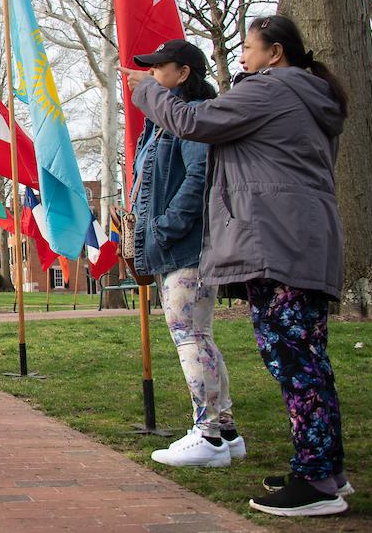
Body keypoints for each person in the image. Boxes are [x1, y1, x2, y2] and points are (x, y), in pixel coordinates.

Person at [124, 15, 350, 517]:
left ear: (275, 53)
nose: (241, 56)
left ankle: (317, 482)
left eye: (248, 47)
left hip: (277, 241)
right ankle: (325, 468)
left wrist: (147, 93)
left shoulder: (271, 90)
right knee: (308, 357)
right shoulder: (307, 96)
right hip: (303, 238)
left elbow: (193, 123)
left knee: (293, 360)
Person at [128, 40, 243, 469]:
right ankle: (225, 433)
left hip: (186, 247)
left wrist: (167, 226)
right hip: (174, 245)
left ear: (183, 74)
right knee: (199, 335)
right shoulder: (159, 125)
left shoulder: (192, 117)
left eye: (160, 67)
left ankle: (208, 434)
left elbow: (199, 176)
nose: (151, 74)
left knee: (190, 336)